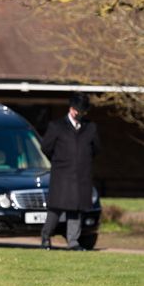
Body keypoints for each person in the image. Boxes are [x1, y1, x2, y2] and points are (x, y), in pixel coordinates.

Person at [40, 92, 100, 251]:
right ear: (72, 109)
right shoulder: (57, 126)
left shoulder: (90, 128)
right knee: (55, 209)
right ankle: (46, 237)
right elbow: (46, 148)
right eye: (79, 111)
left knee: (76, 209)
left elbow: (96, 149)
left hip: (81, 176)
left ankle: (73, 241)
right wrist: (60, 161)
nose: (81, 114)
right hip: (62, 175)